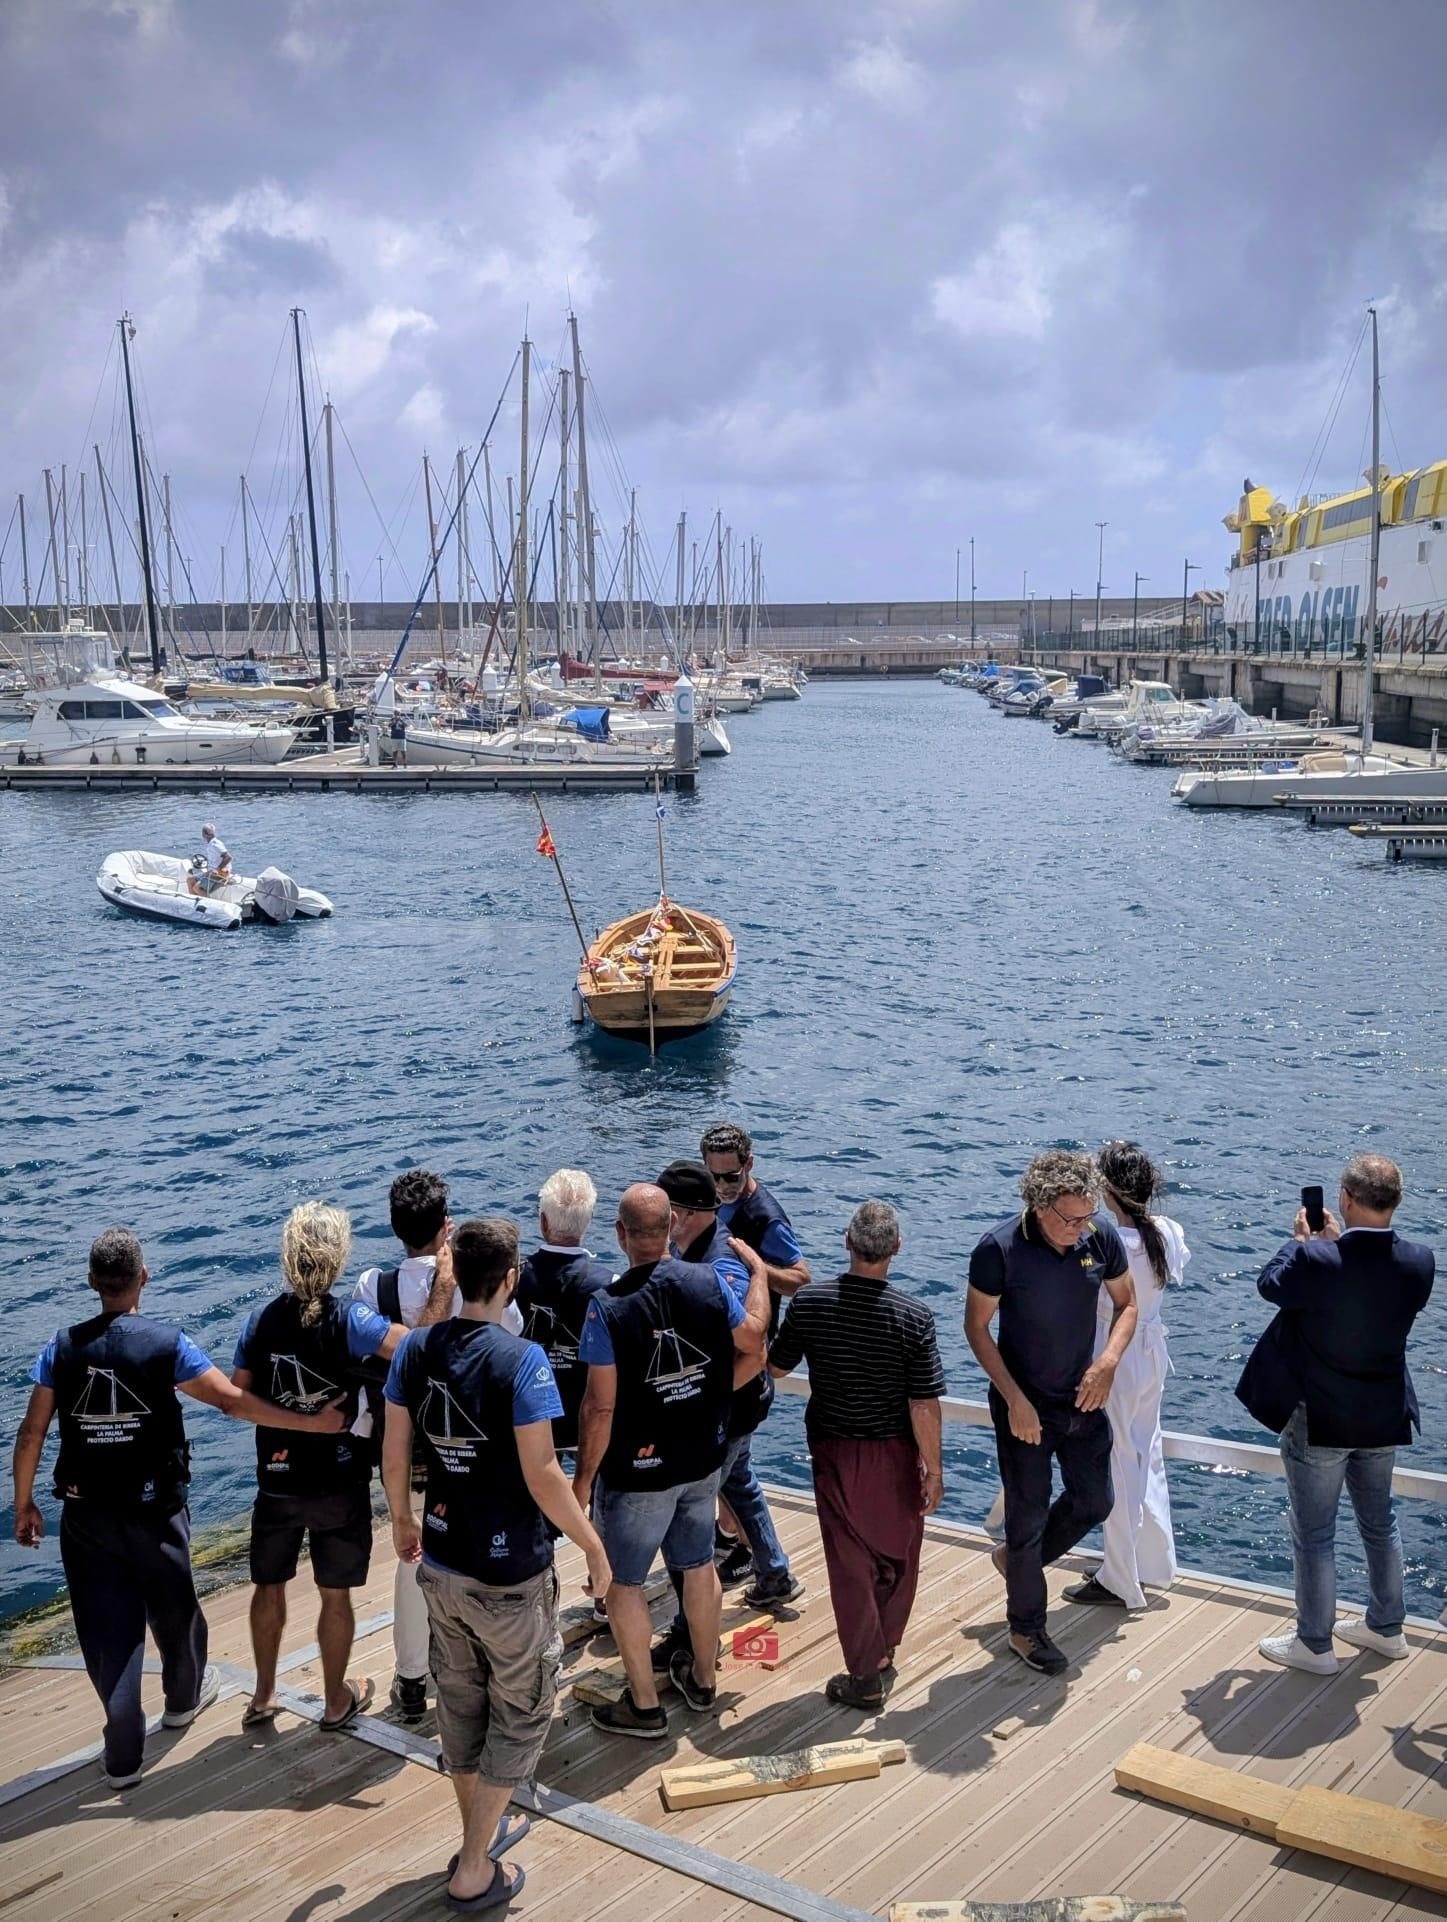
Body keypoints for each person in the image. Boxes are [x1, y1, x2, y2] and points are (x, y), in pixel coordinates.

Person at [11, 1227, 346, 1789]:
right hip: (156, 1507)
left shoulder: (59, 1348)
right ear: (143, 1277)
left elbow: (30, 1433)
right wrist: (312, 1422)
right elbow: (232, 1402)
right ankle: (182, 1702)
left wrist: (24, 1503)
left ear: (94, 1283)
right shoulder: (169, 1344)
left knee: (104, 1628)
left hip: (86, 1514)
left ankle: (122, 1752)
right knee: (175, 1607)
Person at [384, 1217, 610, 1913]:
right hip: (508, 1575)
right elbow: (543, 1473)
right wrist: (595, 1548)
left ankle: (472, 1834)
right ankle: (475, 1865)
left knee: (461, 1705)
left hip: (442, 1564)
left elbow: (395, 1453)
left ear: (456, 1278)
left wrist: (402, 1518)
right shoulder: (523, 1360)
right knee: (523, 1711)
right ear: (509, 1279)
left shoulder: (415, 1351)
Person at [572, 1183, 768, 1739]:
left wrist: (582, 1481)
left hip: (638, 1470)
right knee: (697, 1563)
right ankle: (703, 1680)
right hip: (703, 1456)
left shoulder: (607, 1307)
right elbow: (754, 1342)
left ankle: (643, 1706)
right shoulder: (708, 1281)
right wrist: (760, 1280)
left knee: (624, 1584)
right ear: (673, 1226)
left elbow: (600, 1405)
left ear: (620, 1235)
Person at [1236, 1153, 1434, 1674]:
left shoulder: (1316, 1260)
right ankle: (1387, 1628)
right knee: (1380, 1521)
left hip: (1321, 1418)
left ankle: (1315, 1644)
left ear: (1344, 1200)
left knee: (1315, 1533)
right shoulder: (1420, 1261)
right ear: (1396, 1202)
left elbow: (1271, 1285)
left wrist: (1304, 1243)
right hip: (1383, 1413)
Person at [234, 1202, 404, 1732]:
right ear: (337, 1259)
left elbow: (236, 1400)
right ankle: (335, 1699)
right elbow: (415, 1349)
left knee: (269, 1586)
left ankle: (263, 1694)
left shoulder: (260, 1322)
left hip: (277, 1480)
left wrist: (292, 1420)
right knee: (335, 1594)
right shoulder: (351, 1320)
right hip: (339, 1479)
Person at [768, 1200, 945, 1710]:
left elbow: (777, 1369)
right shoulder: (915, 1317)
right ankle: (883, 1649)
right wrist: (933, 1470)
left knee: (849, 1562)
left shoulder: (811, 1303)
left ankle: (866, 1671)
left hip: (832, 1448)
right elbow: (923, 1403)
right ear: (896, 1249)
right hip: (894, 1451)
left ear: (847, 1242)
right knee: (899, 1555)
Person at [966, 1149, 1137, 1676]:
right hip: (1024, 1403)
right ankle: (1027, 1629)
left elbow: (1128, 1304)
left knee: (1095, 1501)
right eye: (1071, 1219)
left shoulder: (1099, 1237)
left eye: (1088, 1215)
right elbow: (976, 1328)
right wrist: (1015, 1400)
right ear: (1039, 1206)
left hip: (1083, 1397)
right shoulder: (998, 1249)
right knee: (1028, 1517)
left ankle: (1018, 1566)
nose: (1082, 1227)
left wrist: (1107, 1362)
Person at [650, 1161, 802, 1676]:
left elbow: (751, 1344)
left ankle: (687, 1635)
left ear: (685, 1215)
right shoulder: (691, 1250)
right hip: (735, 1404)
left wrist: (702, 1398)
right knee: (739, 1482)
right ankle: (775, 1572)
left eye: (665, 1209)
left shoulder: (721, 1266)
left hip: (727, 1408)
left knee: (688, 1521)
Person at [351, 1168, 467, 1722]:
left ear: (396, 1229)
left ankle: (413, 1681)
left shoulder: (372, 1287)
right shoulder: (473, 1280)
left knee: (411, 1561)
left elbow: (393, 1353)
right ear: (447, 1228)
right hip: (467, 1440)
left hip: (404, 1446)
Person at [1062, 1140, 1188, 1612]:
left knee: (1114, 1464)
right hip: (1152, 1354)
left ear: (1109, 1190)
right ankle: (1149, 1562)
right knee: (1146, 1456)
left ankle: (1119, 1578)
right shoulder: (1167, 1231)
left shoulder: (1108, 1239)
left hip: (1114, 1355)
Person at [699, 1121, 811, 1584]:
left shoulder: (766, 1217)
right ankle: (753, 1554)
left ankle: (757, 1559)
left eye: (731, 1177)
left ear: (750, 1164)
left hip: (744, 1362)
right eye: (714, 1177)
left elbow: (801, 1277)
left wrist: (753, 1264)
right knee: (734, 1472)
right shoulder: (709, 1202)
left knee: (724, 1471)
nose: (723, 1187)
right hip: (714, 1353)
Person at [515, 1169, 615, 1457]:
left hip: (532, 1418)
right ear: (589, 1221)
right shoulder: (612, 1285)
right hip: (585, 1420)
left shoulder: (511, 1278)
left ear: (543, 1221)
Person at [189, 822, 232, 896]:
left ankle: (207, 903)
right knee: (190, 880)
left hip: (220, 873)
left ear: (204, 834)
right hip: (210, 872)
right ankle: (194, 901)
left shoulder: (215, 844)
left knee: (197, 888)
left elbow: (228, 857)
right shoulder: (211, 844)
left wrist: (217, 869)